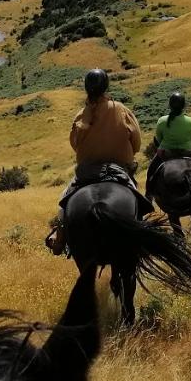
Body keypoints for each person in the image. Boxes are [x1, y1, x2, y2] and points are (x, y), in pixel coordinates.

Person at [45, 69, 142, 254]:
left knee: (64, 200)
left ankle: (60, 238)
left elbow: (74, 144)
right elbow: (136, 141)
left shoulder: (81, 115)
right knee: (137, 197)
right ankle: (141, 233)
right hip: (119, 168)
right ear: (106, 86)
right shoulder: (121, 109)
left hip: (87, 170)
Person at [146, 91, 191, 193]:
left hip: (166, 153)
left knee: (151, 171)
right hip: (187, 152)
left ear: (170, 105)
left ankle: (148, 195)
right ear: (184, 106)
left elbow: (159, 138)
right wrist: (189, 146)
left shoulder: (162, 120)